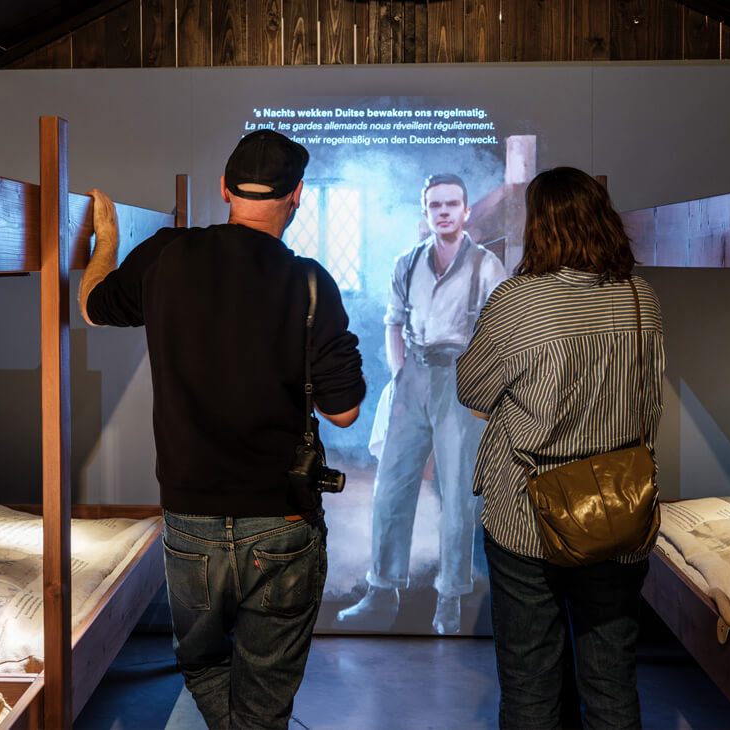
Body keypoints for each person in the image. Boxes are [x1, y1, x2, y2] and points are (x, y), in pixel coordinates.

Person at [79, 129, 366, 730]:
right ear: (296, 198)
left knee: (203, 663)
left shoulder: (166, 255)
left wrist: (105, 243)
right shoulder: (312, 281)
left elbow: (94, 305)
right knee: (265, 694)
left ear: (224, 190)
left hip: (191, 516)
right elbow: (343, 412)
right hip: (281, 519)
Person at [455, 166, 665, 729]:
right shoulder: (639, 297)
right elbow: (650, 407)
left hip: (527, 513)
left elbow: (471, 389)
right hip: (618, 513)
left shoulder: (516, 301)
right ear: (603, 219)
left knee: (529, 685)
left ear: (540, 226)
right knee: (612, 682)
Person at [338, 173, 506, 634]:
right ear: (426, 212)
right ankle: (382, 590)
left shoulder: (487, 266)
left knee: (456, 493)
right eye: (436, 205)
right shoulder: (407, 263)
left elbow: (499, 332)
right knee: (391, 485)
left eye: (453, 204)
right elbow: (393, 322)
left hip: (459, 376)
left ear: (466, 211)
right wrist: (399, 374)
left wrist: (479, 386)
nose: (445, 211)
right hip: (413, 373)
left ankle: (450, 598)